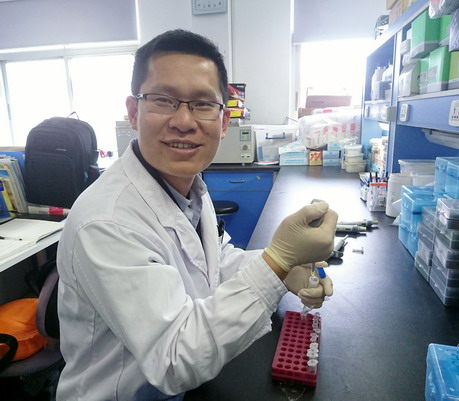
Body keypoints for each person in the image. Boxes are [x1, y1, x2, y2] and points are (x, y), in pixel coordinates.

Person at [55, 29, 338, 401]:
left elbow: (212, 264)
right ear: (133, 112)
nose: (184, 121)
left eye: (203, 104)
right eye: (163, 100)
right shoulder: (106, 221)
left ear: (224, 122)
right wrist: (276, 263)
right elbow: (174, 360)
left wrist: (285, 271)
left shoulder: (186, 186)